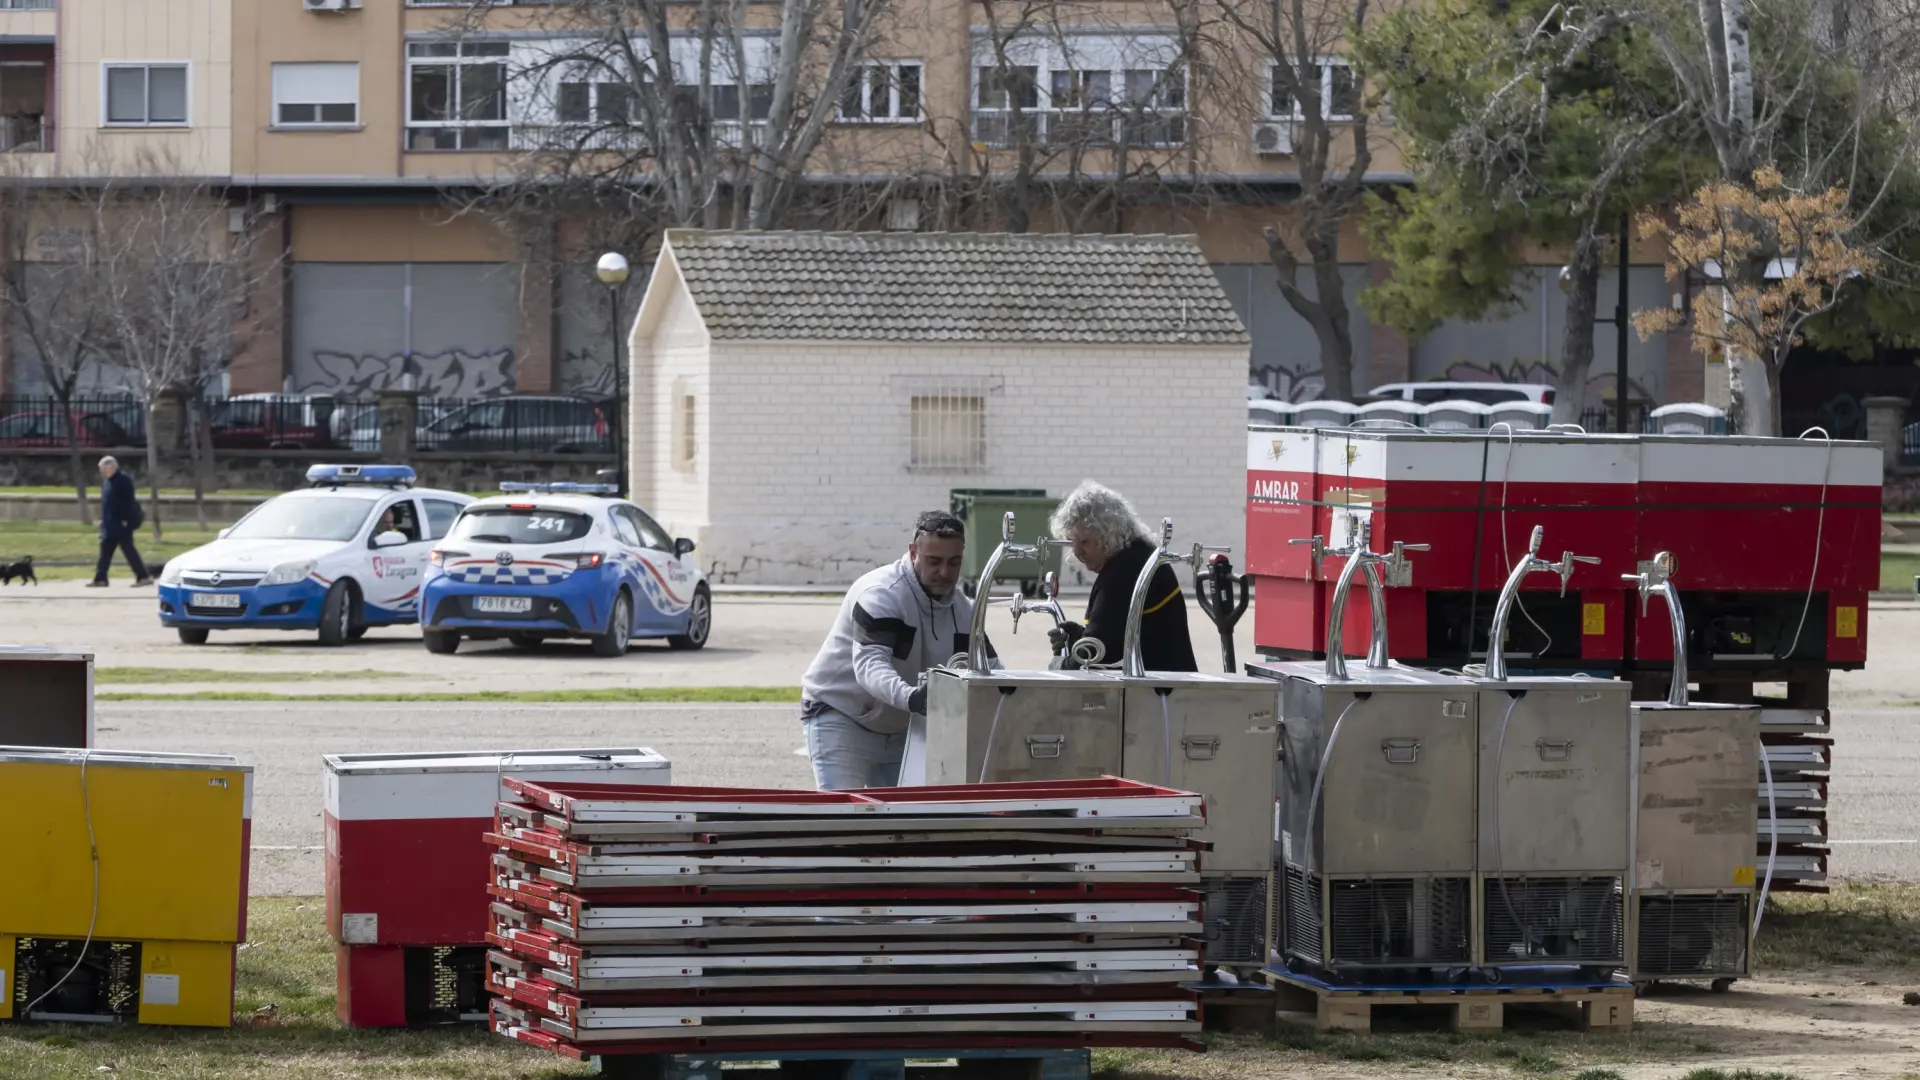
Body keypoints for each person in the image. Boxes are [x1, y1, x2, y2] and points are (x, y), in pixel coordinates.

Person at [799, 511, 994, 790]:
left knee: (906, 823)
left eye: (954, 562)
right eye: (934, 561)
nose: (944, 572)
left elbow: (992, 670)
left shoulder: (964, 611)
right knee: (843, 820)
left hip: (902, 726)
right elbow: (870, 664)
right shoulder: (882, 593)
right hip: (840, 715)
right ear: (913, 551)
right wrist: (912, 697)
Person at [1046, 480, 1197, 672]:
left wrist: (1060, 665)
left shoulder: (1121, 574)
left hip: (1154, 694)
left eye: (1084, 541)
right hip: (1166, 687)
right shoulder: (1139, 557)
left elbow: (1094, 656)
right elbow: (1120, 639)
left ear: (1107, 535)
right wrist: (1081, 637)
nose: (1076, 551)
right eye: (1071, 541)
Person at [91, 456, 152, 589]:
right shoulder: (107, 482)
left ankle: (143, 576)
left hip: (122, 523)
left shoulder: (123, 480)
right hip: (110, 524)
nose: (101, 471)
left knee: (128, 549)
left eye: (102, 468)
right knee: (105, 551)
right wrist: (103, 520)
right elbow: (107, 504)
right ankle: (100, 578)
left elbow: (128, 502)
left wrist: (125, 519)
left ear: (110, 466)